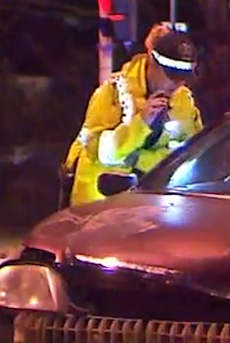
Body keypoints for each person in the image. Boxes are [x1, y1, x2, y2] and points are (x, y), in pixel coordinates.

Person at [61, 23, 204, 207]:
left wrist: (139, 159)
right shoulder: (113, 92)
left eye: (183, 77)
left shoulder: (184, 101)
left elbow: (189, 156)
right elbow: (99, 152)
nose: (177, 84)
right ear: (152, 62)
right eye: (171, 75)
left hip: (153, 207)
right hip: (99, 206)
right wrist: (141, 123)